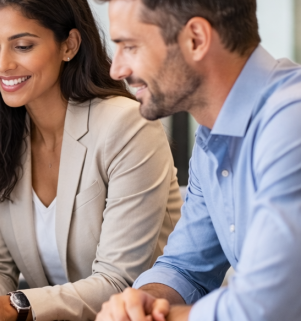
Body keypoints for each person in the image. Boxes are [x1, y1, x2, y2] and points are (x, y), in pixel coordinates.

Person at [0, 0, 182, 320]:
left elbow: (120, 282)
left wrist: (14, 306)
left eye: (23, 46)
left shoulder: (127, 126)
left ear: (69, 45)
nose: (2, 64)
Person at [95, 0, 301, 320]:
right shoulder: (213, 139)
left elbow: (269, 304)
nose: (117, 69)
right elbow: (186, 269)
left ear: (196, 39)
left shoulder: (291, 122)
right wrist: (143, 302)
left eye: (130, 47)